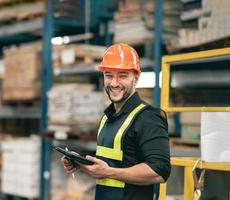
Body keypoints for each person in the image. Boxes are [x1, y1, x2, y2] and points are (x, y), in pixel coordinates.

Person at [61, 43, 171, 200]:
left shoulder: (148, 117)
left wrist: (109, 172)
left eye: (123, 76)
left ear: (136, 78)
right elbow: (114, 160)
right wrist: (80, 163)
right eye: (108, 75)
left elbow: (160, 171)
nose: (114, 83)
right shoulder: (108, 116)